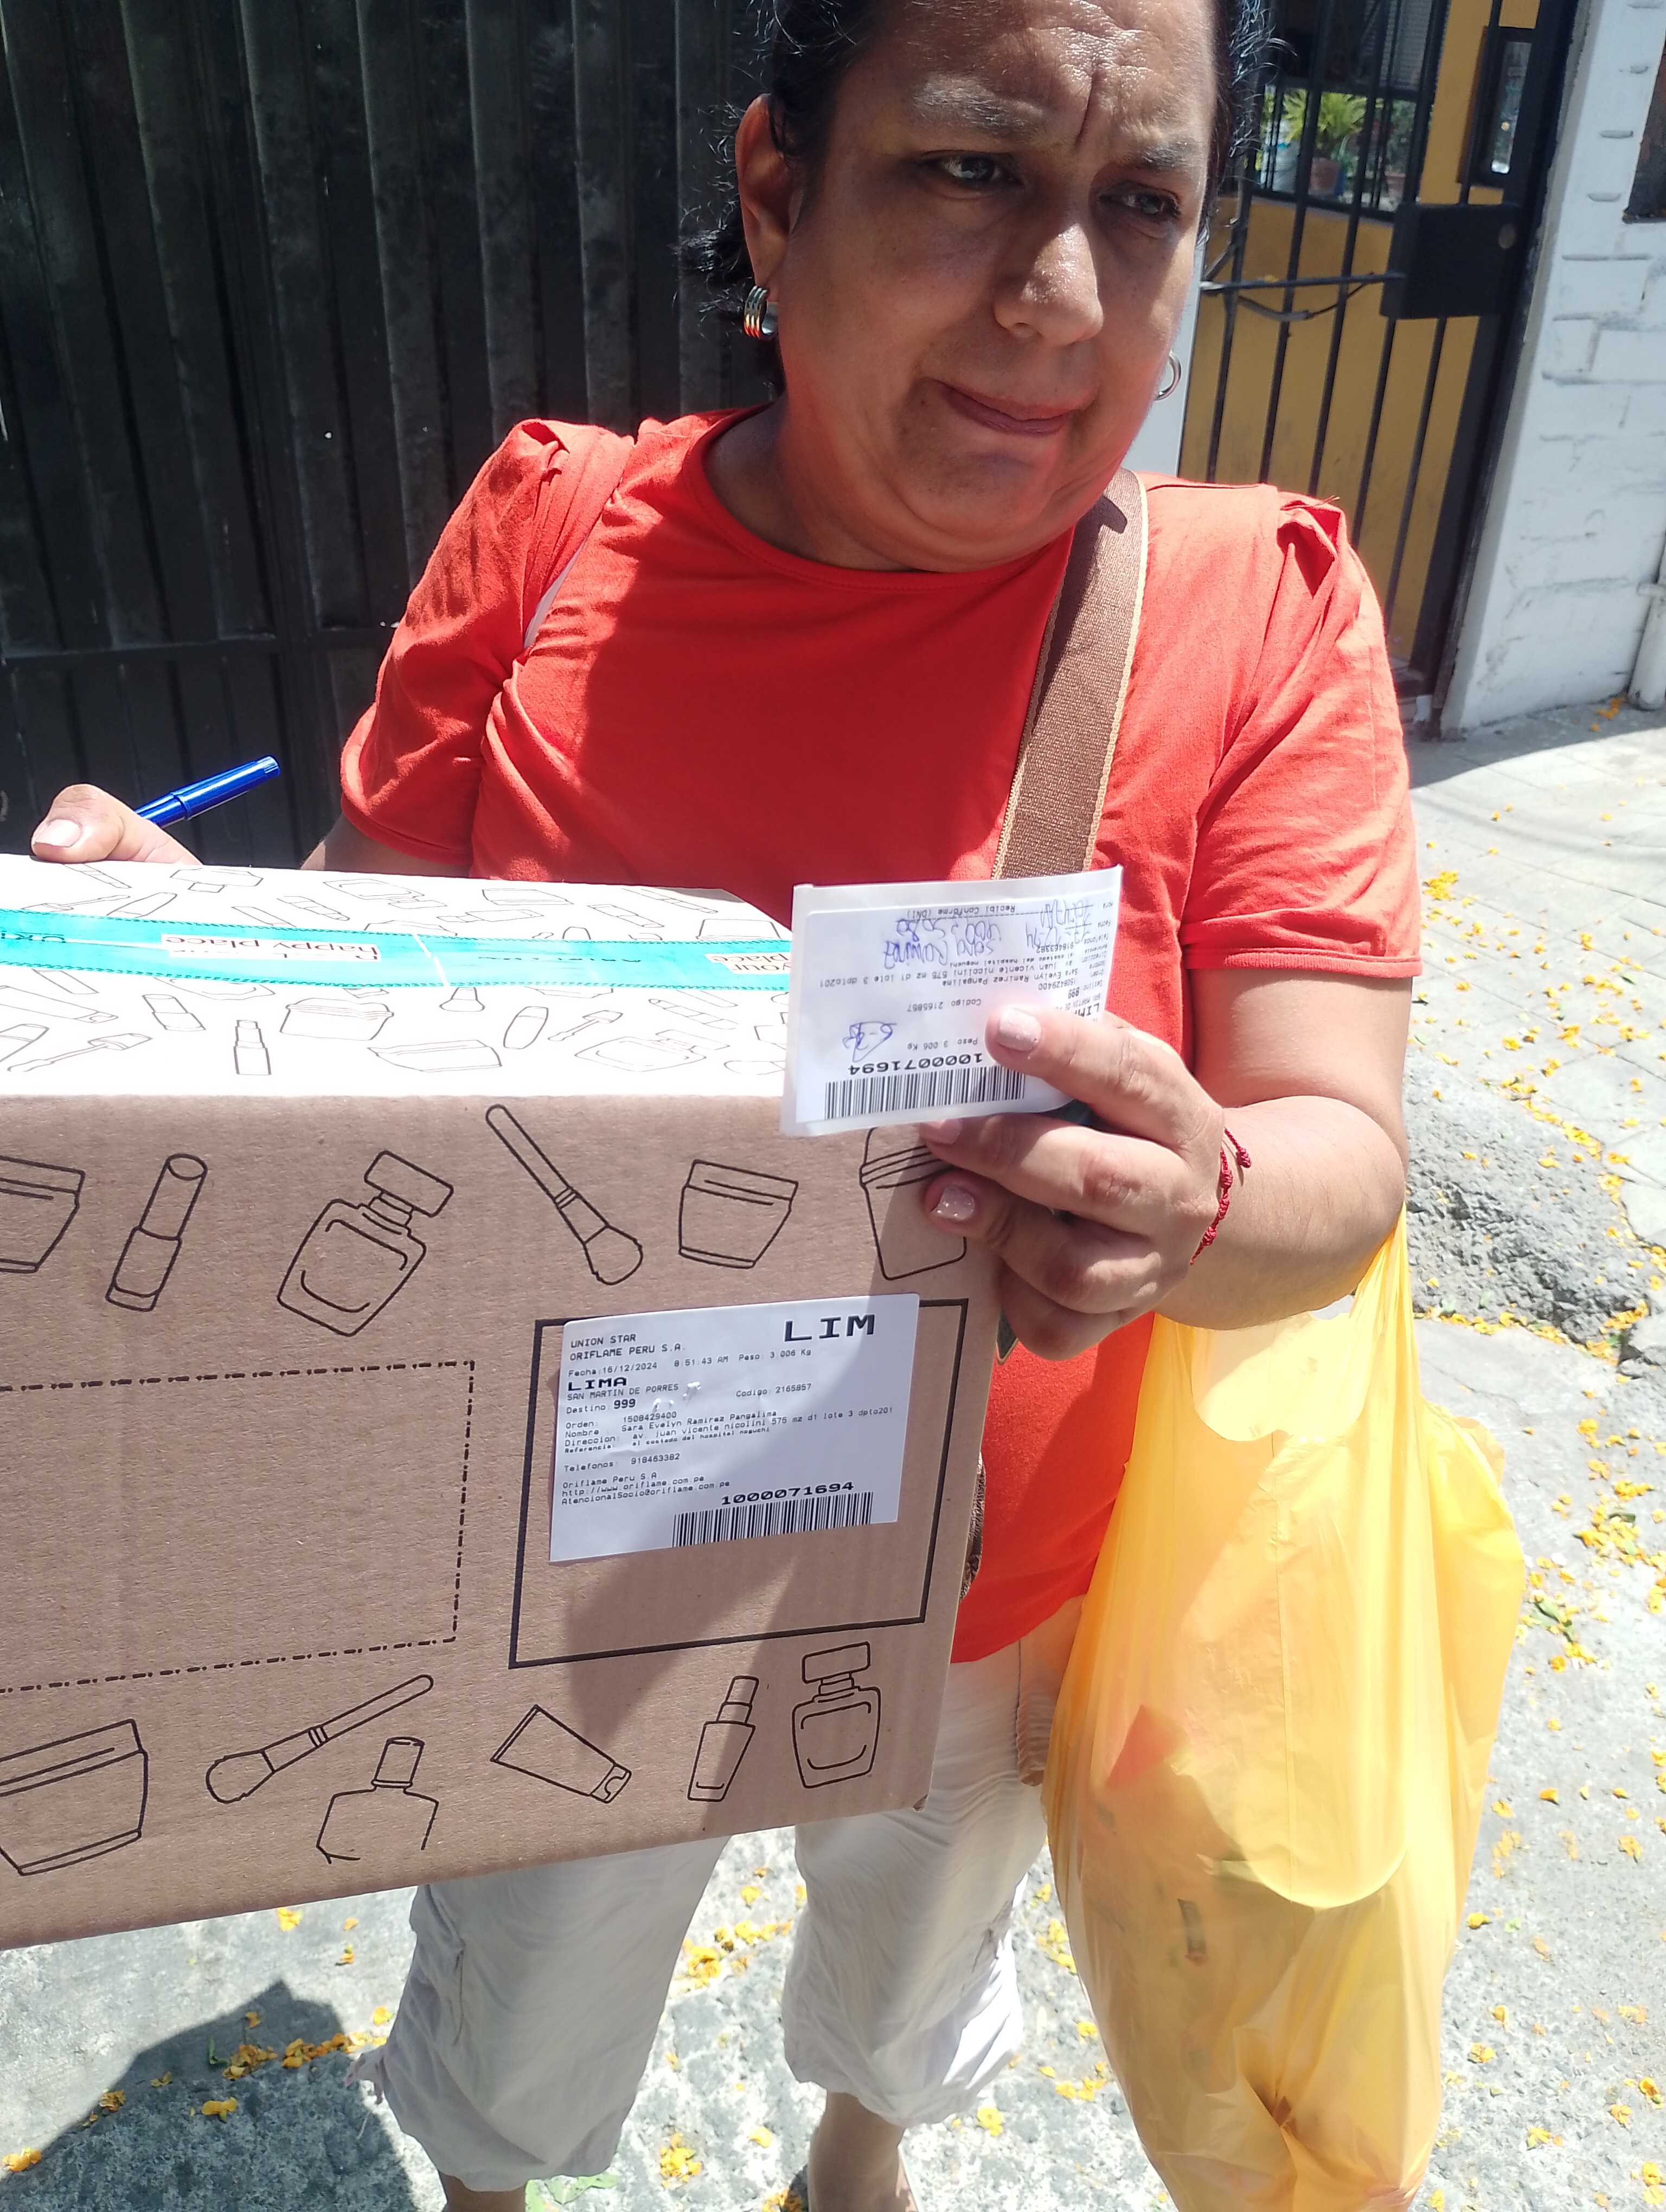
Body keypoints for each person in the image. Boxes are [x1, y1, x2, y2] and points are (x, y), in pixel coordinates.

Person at [29, 0, 1420, 2204]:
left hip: (985, 1586)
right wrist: (180, 966)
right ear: (780, 189)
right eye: (970, 170)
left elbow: (1342, 1160)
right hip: (554, 1577)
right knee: (517, 2026)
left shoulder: (1257, 614)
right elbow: (363, 982)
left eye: (1141, 203)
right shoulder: (555, 542)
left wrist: (1197, 1190)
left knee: (912, 1968)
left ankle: (855, 2166)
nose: (1058, 299)